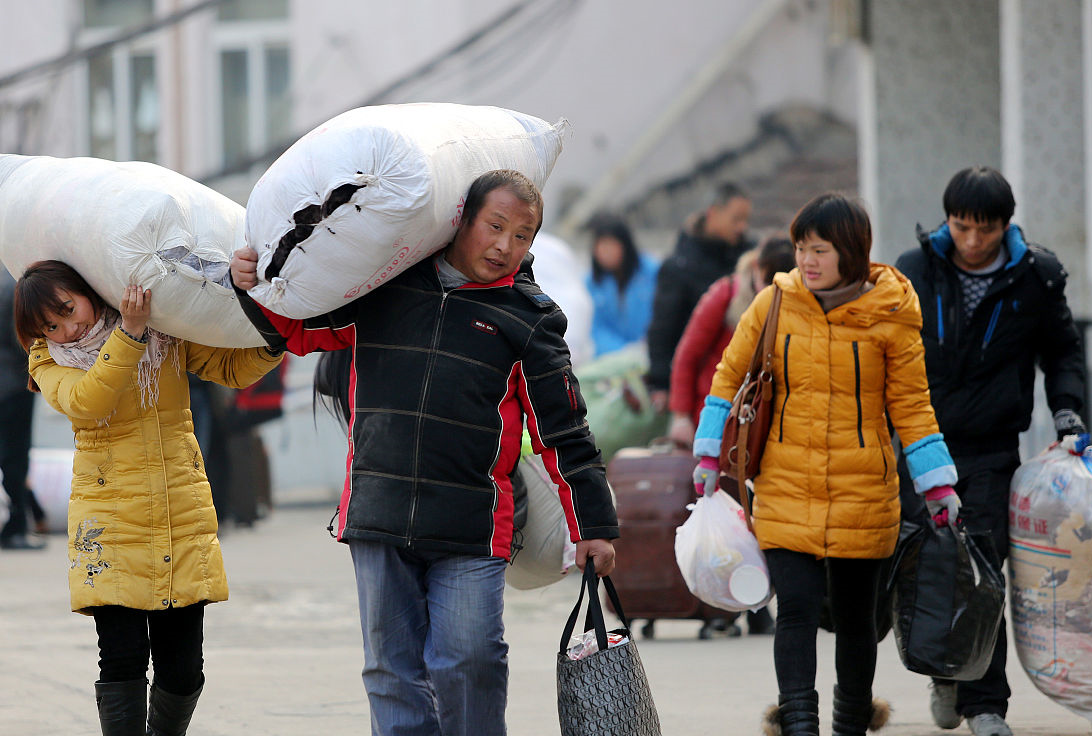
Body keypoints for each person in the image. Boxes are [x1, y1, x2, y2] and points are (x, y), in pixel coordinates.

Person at [229, 169, 619, 736]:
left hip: (473, 525)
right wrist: (253, 284)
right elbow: (299, 329)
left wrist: (593, 526)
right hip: (378, 511)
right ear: (462, 220)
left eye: (523, 235)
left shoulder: (530, 320)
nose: (505, 246)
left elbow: (566, 432)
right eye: (496, 226)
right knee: (391, 672)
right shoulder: (384, 285)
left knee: (469, 662)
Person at [690, 193, 959, 736]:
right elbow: (728, 374)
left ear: (852, 252)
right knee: (796, 609)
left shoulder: (892, 311)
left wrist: (937, 486)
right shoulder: (775, 303)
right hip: (787, 485)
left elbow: (912, 405)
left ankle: (850, 720)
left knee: (859, 622)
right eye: (800, 249)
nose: (806, 261)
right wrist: (706, 452)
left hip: (865, 492)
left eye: (819, 250)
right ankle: (799, 722)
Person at [14, 260, 284, 736]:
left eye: (66, 308)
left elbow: (228, 367)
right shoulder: (47, 360)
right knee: (122, 659)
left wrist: (277, 337)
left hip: (179, 509)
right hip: (108, 521)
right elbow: (88, 400)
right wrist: (131, 336)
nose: (66, 327)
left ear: (87, 291)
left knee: (184, 672)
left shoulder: (164, 329)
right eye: (50, 325)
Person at [894, 166, 1088, 736]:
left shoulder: (1036, 277)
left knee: (981, 565)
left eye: (985, 229)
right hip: (920, 443)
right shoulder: (913, 271)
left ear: (1006, 224)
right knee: (930, 567)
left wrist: (1069, 410)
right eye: (961, 227)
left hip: (990, 447)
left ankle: (985, 705)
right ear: (947, 220)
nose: (973, 242)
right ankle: (947, 674)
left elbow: (1063, 354)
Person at [667, 234, 794, 638]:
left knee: (757, 515)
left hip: (765, 425)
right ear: (756, 271)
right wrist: (680, 414)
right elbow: (687, 355)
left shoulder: (795, 304)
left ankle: (757, 603)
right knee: (728, 517)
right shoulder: (726, 296)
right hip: (720, 424)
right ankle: (722, 609)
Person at [646, 182, 754, 409]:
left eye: (745, 220)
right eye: (736, 219)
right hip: (696, 383)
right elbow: (663, 329)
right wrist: (661, 384)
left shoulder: (751, 260)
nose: (742, 227)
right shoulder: (680, 265)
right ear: (713, 213)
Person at [0, 269, 44, 550]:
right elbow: (23, 340)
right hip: (15, 383)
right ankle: (15, 528)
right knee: (15, 457)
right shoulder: (16, 282)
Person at [584, 213, 659, 356]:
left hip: (650, 352)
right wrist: (623, 352)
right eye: (601, 246)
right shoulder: (592, 283)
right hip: (612, 359)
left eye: (611, 245)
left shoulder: (652, 272)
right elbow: (596, 329)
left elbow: (662, 315)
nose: (606, 252)